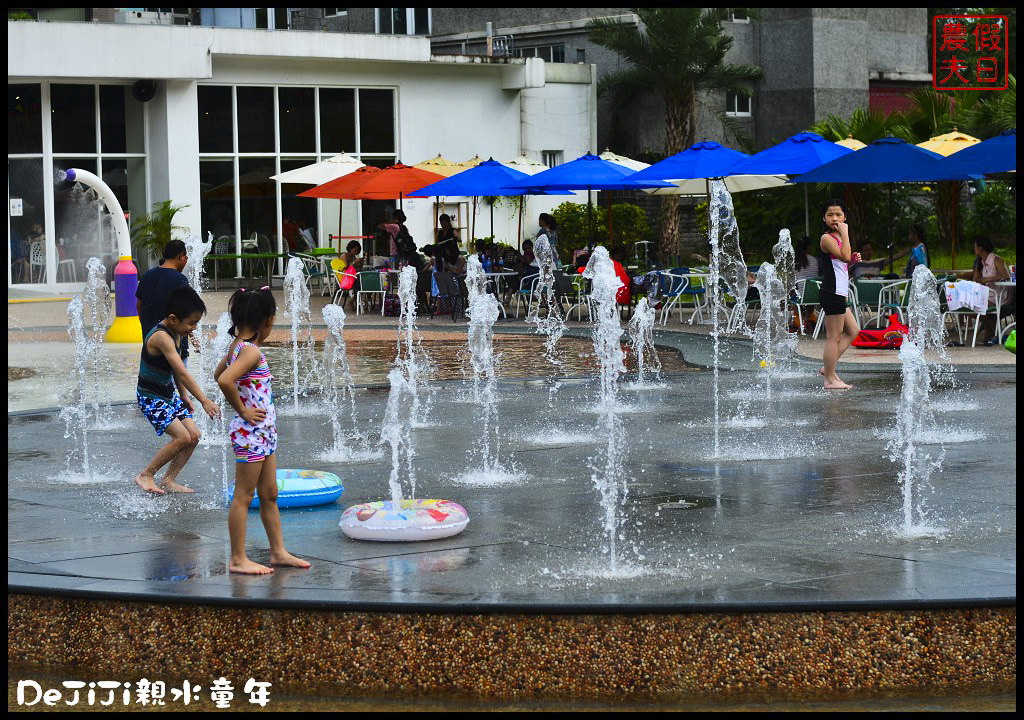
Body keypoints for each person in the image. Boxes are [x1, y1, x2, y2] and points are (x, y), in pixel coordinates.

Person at [214, 287, 310, 575]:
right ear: (265, 320)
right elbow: (225, 381)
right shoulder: (251, 351)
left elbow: (218, 374)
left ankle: (278, 552)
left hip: (264, 432)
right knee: (244, 495)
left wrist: (244, 399)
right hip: (251, 433)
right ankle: (238, 558)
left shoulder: (236, 347)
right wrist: (243, 410)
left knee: (269, 494)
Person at [133, 285, 221, 496]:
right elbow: (182, 372)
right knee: (182, 437)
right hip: (150, 396)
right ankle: (146, 474)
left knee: (194, 435)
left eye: (196, 323)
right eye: (191, 323)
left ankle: (168, 479)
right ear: (173, 318)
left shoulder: (177, 332)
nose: (194, 328)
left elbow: (177, 368)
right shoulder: (162, 336)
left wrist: (183, 395)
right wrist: (204, 400)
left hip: (168, 395)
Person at [818, 200, 862, 390]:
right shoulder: (827, 238)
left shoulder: (838, 238)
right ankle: (829, 378)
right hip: (832, 291)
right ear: (824, 218)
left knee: (853, 331)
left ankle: (828, 367)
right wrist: (845, 231)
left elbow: (843, 262)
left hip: (839, 292)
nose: (834, 218)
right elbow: (843, 256)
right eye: (830, 215)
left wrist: (851, 261)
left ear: (845, 216)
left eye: (838, 214)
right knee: (833, 337)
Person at [136, 240, 190, 340]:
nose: (186, 261)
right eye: (186, 258)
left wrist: (146, 326)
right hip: (173, 343)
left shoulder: (146, 276)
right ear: (181, 256)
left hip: (149, 341)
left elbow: (139, 305)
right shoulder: (180, 280)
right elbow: (185, 311)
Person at [970, 236, 1012, 345]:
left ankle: (991, 328)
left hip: (999, 296)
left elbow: (1006, 276)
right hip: (987, 295)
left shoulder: (996, 260)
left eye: (975, 246)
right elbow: (974, 280)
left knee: (977, 306)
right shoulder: (980, 262)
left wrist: (987, 279)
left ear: (981, 248)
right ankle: (991, 327)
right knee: (967, 305)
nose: (973, 248)